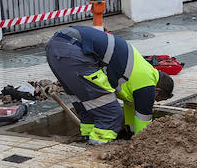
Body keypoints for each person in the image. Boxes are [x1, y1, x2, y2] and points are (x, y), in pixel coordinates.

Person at [44, 25, 174, 144]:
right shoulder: (147, 83)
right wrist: (143, 144)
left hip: (56, 47)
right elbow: (143, 121)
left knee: (89, 109)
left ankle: (87, 139)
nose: (153, 101)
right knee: (111, 114)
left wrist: (130, 133)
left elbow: (131, 109)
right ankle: (95, 150)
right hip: (74, 51)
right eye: (156, 99)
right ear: (157, 90)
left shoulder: (142, 72)